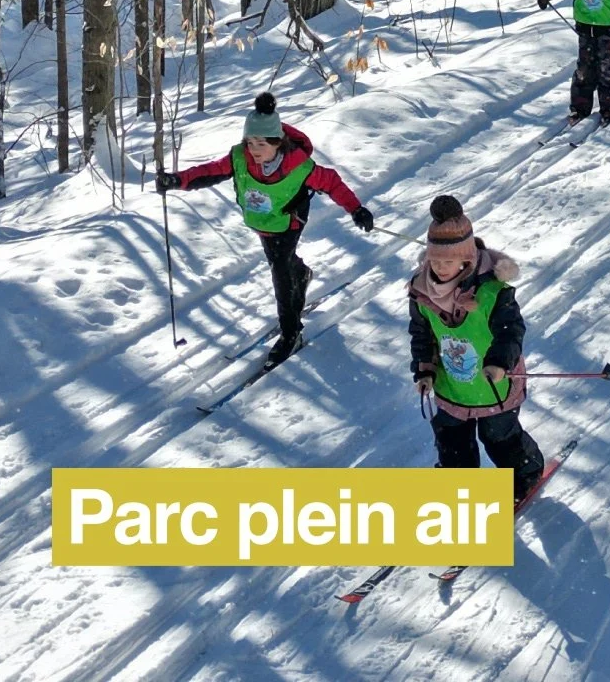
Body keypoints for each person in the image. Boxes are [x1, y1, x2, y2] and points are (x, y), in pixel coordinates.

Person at [156, 92, 374, 366]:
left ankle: (291, 332)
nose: (254, 149)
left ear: (277, 142)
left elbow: (331, 183)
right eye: (250, 142)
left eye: (261, 143)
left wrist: (356, 209)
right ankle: (302, 273)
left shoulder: (299, 166)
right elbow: (210, 172)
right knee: (279, 261)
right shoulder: (240, 158)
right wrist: (176, 180)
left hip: (289, 221)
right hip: (263, 223)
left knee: (279, 273)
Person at [408, 195, 545, 503]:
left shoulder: (494, 293)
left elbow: (511, 332)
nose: (441, 268)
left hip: (492, 383)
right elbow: (421, 332)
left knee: (499, 436)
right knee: (450, 436)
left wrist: (499, 362)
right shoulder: (420, 291)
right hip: (451, 385)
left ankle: (525, 472)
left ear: (467, 260)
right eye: (436, 261)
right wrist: (424, 369)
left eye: (449, 261)